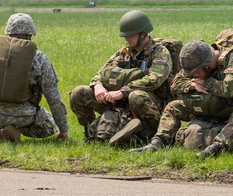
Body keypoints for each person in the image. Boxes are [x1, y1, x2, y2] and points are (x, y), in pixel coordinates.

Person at [131, 39, 233, 158]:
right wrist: (192, 85)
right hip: (209, 106)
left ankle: (219, 146)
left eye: (196, 73)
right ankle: (159, 141)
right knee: (173, 106)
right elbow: (175, 85)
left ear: (207, 65)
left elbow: (228, 89)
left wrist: (205, 82)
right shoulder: (196, 62)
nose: (193, 75)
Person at [68, 10, 173, 146]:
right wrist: (98, 85)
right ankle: (91, 132)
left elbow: (155, 79)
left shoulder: (160, 52)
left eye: (130, 35)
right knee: (79, 93)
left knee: (136, 96)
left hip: (148, 102)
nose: (126, 39)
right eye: (125, 36)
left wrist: (123, 91)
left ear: (142, 33)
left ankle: (151, 135)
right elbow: (101, 72)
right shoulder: (124, 53)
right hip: (118, 101)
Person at [0, 13, 70, 142]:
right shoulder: (39, 58)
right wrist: (63, 129)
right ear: (31, 34)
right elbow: (53, 97)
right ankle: (17, 130)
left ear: (8, 32)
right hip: (24, 116)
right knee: (50, 127)